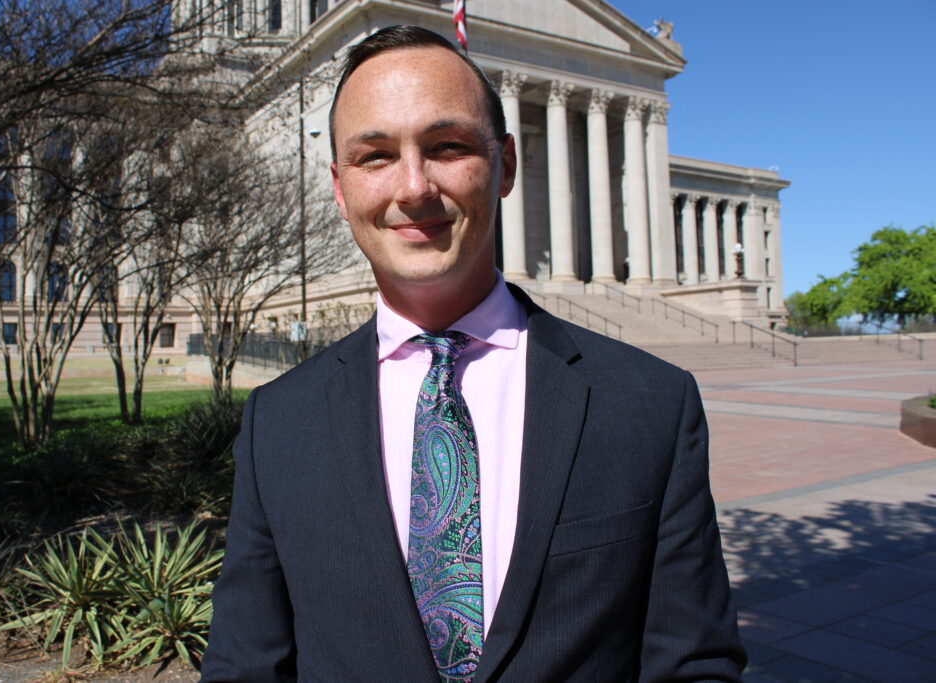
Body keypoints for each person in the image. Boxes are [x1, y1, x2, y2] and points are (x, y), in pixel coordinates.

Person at [201, 25, 745, 683]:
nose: (413, 188)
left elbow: (694, 663)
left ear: (506, 165)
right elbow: (244, 666)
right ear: (340, 189)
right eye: (375, 155)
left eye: (448, 146)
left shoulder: (650, 404)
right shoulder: (277, 425)